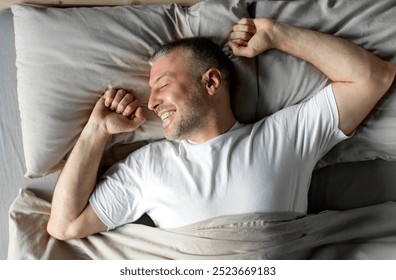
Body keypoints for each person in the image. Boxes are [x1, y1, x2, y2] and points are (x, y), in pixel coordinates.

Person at [47, 18, 395, 240]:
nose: (152, 103)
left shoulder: (283, 137)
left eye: (163, 85)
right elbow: (64, 225)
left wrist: (277, 34)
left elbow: (373, 77)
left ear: (211, 81)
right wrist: (96, 130)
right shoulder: (147, 166)